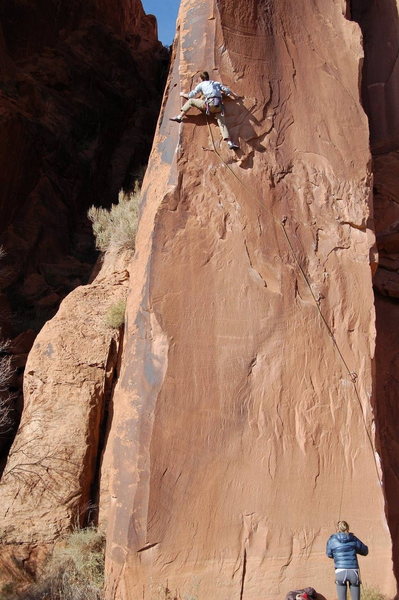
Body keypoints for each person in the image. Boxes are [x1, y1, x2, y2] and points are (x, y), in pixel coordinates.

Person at [170, 71, 239, 150]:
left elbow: (190, 96)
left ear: (201, 78)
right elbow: (227, 90)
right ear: (208, 77)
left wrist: (182, 94)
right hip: (219, 106)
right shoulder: (216, 83)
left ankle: (179, 117)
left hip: (209, 105)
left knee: (191, 101)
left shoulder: (201, 85)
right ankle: (230, 143)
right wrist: (235, 96)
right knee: (222, 124)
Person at [326, 520, 368, 600]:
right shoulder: (353, 538)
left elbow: (329, 554)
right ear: (347, 528)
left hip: (340, 572)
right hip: (353, 572)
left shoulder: (332, 540)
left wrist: (337, 555)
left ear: (337, 528)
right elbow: (365, 551)